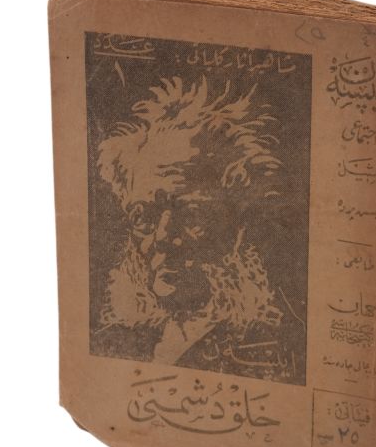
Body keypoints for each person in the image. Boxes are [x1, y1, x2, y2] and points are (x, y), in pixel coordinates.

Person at [95, 75, 304, 383]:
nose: (162, 237)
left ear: (242, 222)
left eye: (191, 215)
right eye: (144, 217)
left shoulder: (282, 351)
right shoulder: (113, 342)